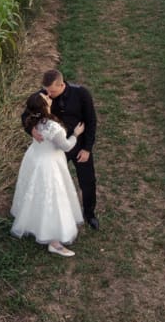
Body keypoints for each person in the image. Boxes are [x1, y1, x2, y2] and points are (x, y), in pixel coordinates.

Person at [23, 69, 99, 230]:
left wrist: (87, 149)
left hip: (78, 145)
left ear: (62, 84)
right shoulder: (43, 96)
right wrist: (31, 130)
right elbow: (26, 115)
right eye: (46, 90)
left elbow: (91, 121)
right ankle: (51, 218)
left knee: (88, 181)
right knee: (55, 185)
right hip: (56, 150)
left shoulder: (82, 94)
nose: (48, 94)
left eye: (52, 91)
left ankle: (90, 214)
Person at [11, 91, 85, 256]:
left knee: (38, 194)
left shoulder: (34, 121)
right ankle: (54, 241)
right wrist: (75, 134)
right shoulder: (52, 126)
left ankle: (35, 223)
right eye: (46, 99)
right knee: (52, 197)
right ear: (44, 106)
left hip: (35, 158)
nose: (49, 97)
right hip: (49, 164)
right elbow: (66, 146)